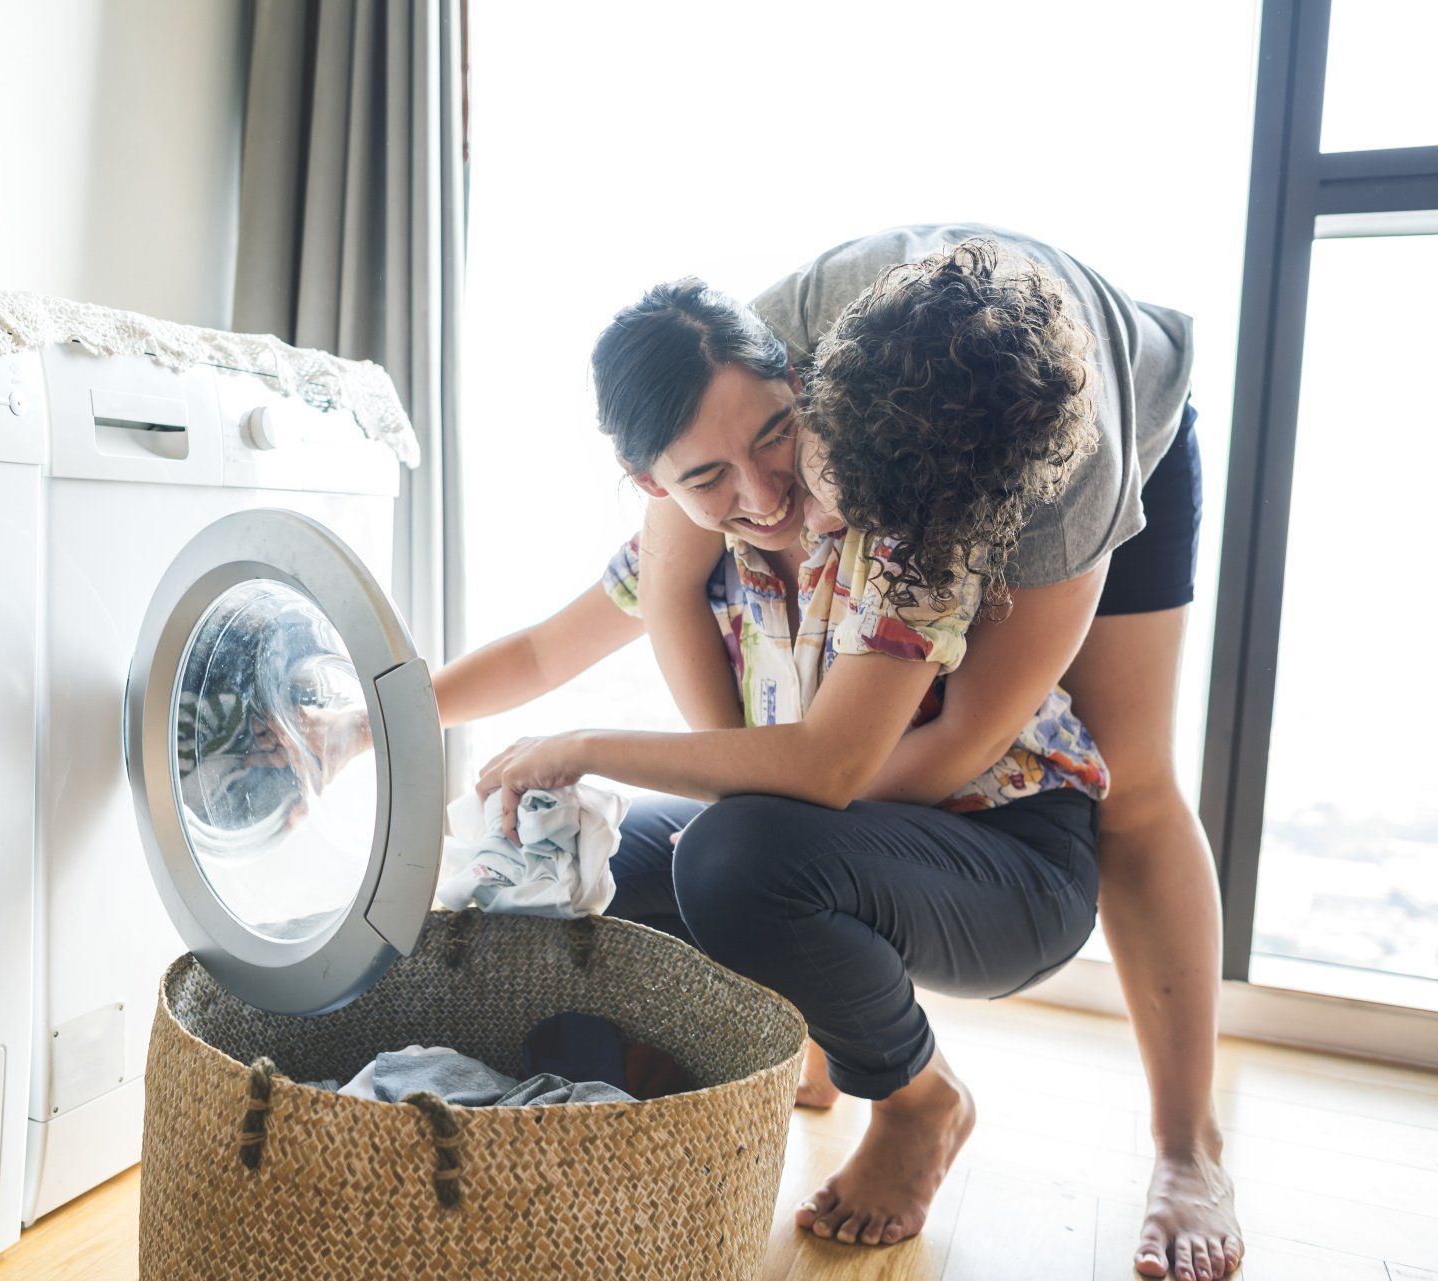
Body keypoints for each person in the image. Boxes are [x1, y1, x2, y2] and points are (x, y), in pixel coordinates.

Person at [436, 233, 1239, 1281]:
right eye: (710, 476)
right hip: (853, 775)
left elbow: (880, 759)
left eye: (780, 446)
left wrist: (719, 788)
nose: (781, 502)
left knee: (1130, 786)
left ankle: (1152, 1143)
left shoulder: (942, 518)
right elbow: (572, 638)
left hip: (1013, 827)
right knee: (627, 861)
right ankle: (730, 1056)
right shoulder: (745, 388)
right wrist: (369, 719)